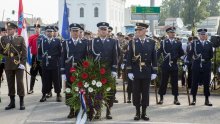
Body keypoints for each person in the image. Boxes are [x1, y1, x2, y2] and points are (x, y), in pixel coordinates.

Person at [127, 23, 157, 121]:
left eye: (140, 30)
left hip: (147, 70)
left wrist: (154, 71)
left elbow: (154, 58)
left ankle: (144, 112)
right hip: (136, 70)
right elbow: (129, 57)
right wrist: (129, 71)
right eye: (137, 30)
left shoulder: (152, 42)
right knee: (136, 92)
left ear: (145, 31)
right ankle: (137, 112)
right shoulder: (132, 42)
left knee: (145, 92)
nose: (138, 31)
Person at [90, 22, 118, 119]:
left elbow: (115, 56)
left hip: (109, 70)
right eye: (101, 29)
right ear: (98, 31)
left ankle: (108, 110)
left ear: (107, 31)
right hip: (97, 71)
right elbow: (90, 56)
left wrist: (114, 69)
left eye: (105, 29)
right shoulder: (93, 42)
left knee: (110, 92)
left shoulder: (113, 42)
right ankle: (98, 111)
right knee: (97, 92)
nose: (103, 31)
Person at [61, 23, 88, 118]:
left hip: (80, 71)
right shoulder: (65, 43)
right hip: (69, 71)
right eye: (73, 31)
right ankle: (71, 110)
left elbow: (86, 58)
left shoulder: (84, 43)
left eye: (77, 31)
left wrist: (86, 70)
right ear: (70, 32)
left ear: (80, 32)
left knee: (80, 90)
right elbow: (62, 58)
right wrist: (63, 72)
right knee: (69, 91)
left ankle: (78, 108)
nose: (75, 33)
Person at [0, 22, 27, 110]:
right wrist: (4, 52)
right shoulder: (3, 39)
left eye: (10, 29)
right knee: (10, 83)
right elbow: (1, 51)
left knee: (20, 83)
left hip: (18, 64)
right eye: (7, 30)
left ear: (15, 29)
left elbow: (24, 53)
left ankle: (21, 102)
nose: (8, 31)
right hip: (8, 64)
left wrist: (22, 64)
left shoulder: (20, 38)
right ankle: (12, 102)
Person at [157, 27, 184, 105]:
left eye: (173, 32)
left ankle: (176, 98)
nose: (172, 34)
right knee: (163, 82)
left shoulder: (178, 43)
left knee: (175, 82)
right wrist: (155, 61)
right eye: (171, 32)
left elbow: (181, 53)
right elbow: (159, 52)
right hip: (165, 64)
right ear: (167, 34)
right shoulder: (163, 42)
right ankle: (161, 98)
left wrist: (177, 57)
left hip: (174, 64)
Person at [186, 29, 213, 106]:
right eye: (201, 34)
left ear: (206, 35)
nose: (203, 36)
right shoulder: (194, 43)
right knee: (194, 82)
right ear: (199, 35)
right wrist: (186, 63)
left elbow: (211, 55)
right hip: (197, 65)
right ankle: (194, 99)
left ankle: (207, 100)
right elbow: (190, 54)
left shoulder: (209, 44)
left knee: (206, 83)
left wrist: (206, 60)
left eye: (204, 34)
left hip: (206, 65)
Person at [38, 25, 62, 102]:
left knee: (56, 80)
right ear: (45, 32)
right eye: (48, 31)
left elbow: (60, 53)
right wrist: (42, 60)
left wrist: (58, 61)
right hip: (46, 64)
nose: (49, 33)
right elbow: (39, 53)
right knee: (45, 80)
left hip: (55, 64)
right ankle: (44, 94)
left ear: (53, 32)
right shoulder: (42, 41)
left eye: (51, 31)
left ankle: (58, 94)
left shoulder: (57, 41)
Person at [28, 23, 42, 94]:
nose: (37, 29)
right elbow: (28, 47)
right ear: (34, 29)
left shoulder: (43, 37)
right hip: (35, 58)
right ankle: (31, 88)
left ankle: (46, 90)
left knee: (43, 74)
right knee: (33, 73)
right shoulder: (31, 37)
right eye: (36, 28)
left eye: (38, 28)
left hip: (42, 58)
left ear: (40, 29)